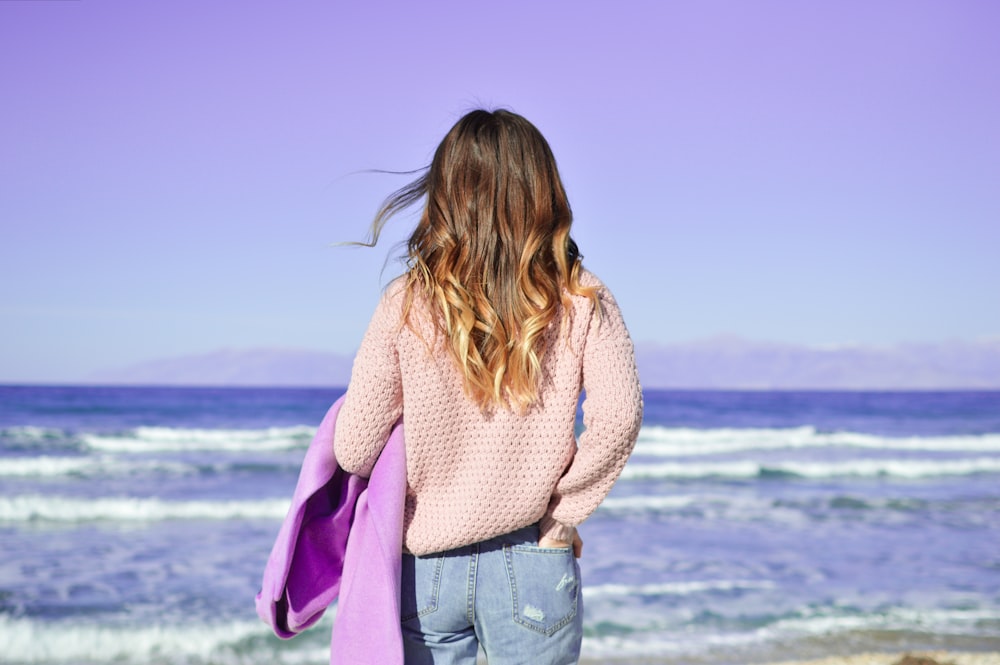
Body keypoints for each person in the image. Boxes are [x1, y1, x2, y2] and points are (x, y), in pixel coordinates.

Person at [333, 108, 643, 665]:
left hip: (425, 571)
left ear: (446, 194)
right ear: (544, 191)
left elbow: (355, 448)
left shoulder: (405, 302)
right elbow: (619, 417)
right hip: (534, 556)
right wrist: (564, 515)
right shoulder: (584, 297)